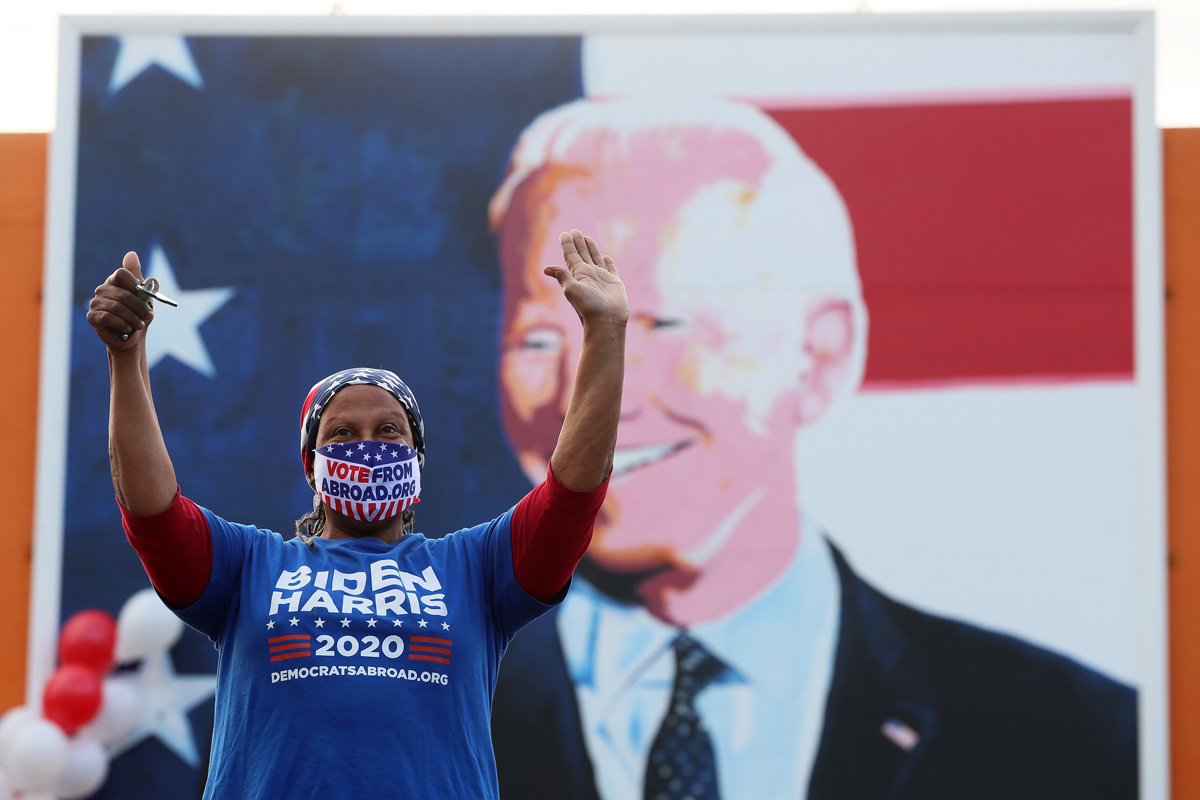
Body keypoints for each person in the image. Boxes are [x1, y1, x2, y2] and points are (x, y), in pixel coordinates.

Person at [487, 98, 1137, 799]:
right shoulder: (427, 701)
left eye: (664, 323)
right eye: (539, 339)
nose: (590, 393)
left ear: (821, 355)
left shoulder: (1068, 732)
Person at [85, 229, 628, 799]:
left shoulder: (479, 567)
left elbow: (573, 494)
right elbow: (151, 512)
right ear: (310, 464)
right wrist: (126, 359)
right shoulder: (247, 564)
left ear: (417, 458)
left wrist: (606, 335)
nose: (367, 446)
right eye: (342, 433)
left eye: (389, 431)